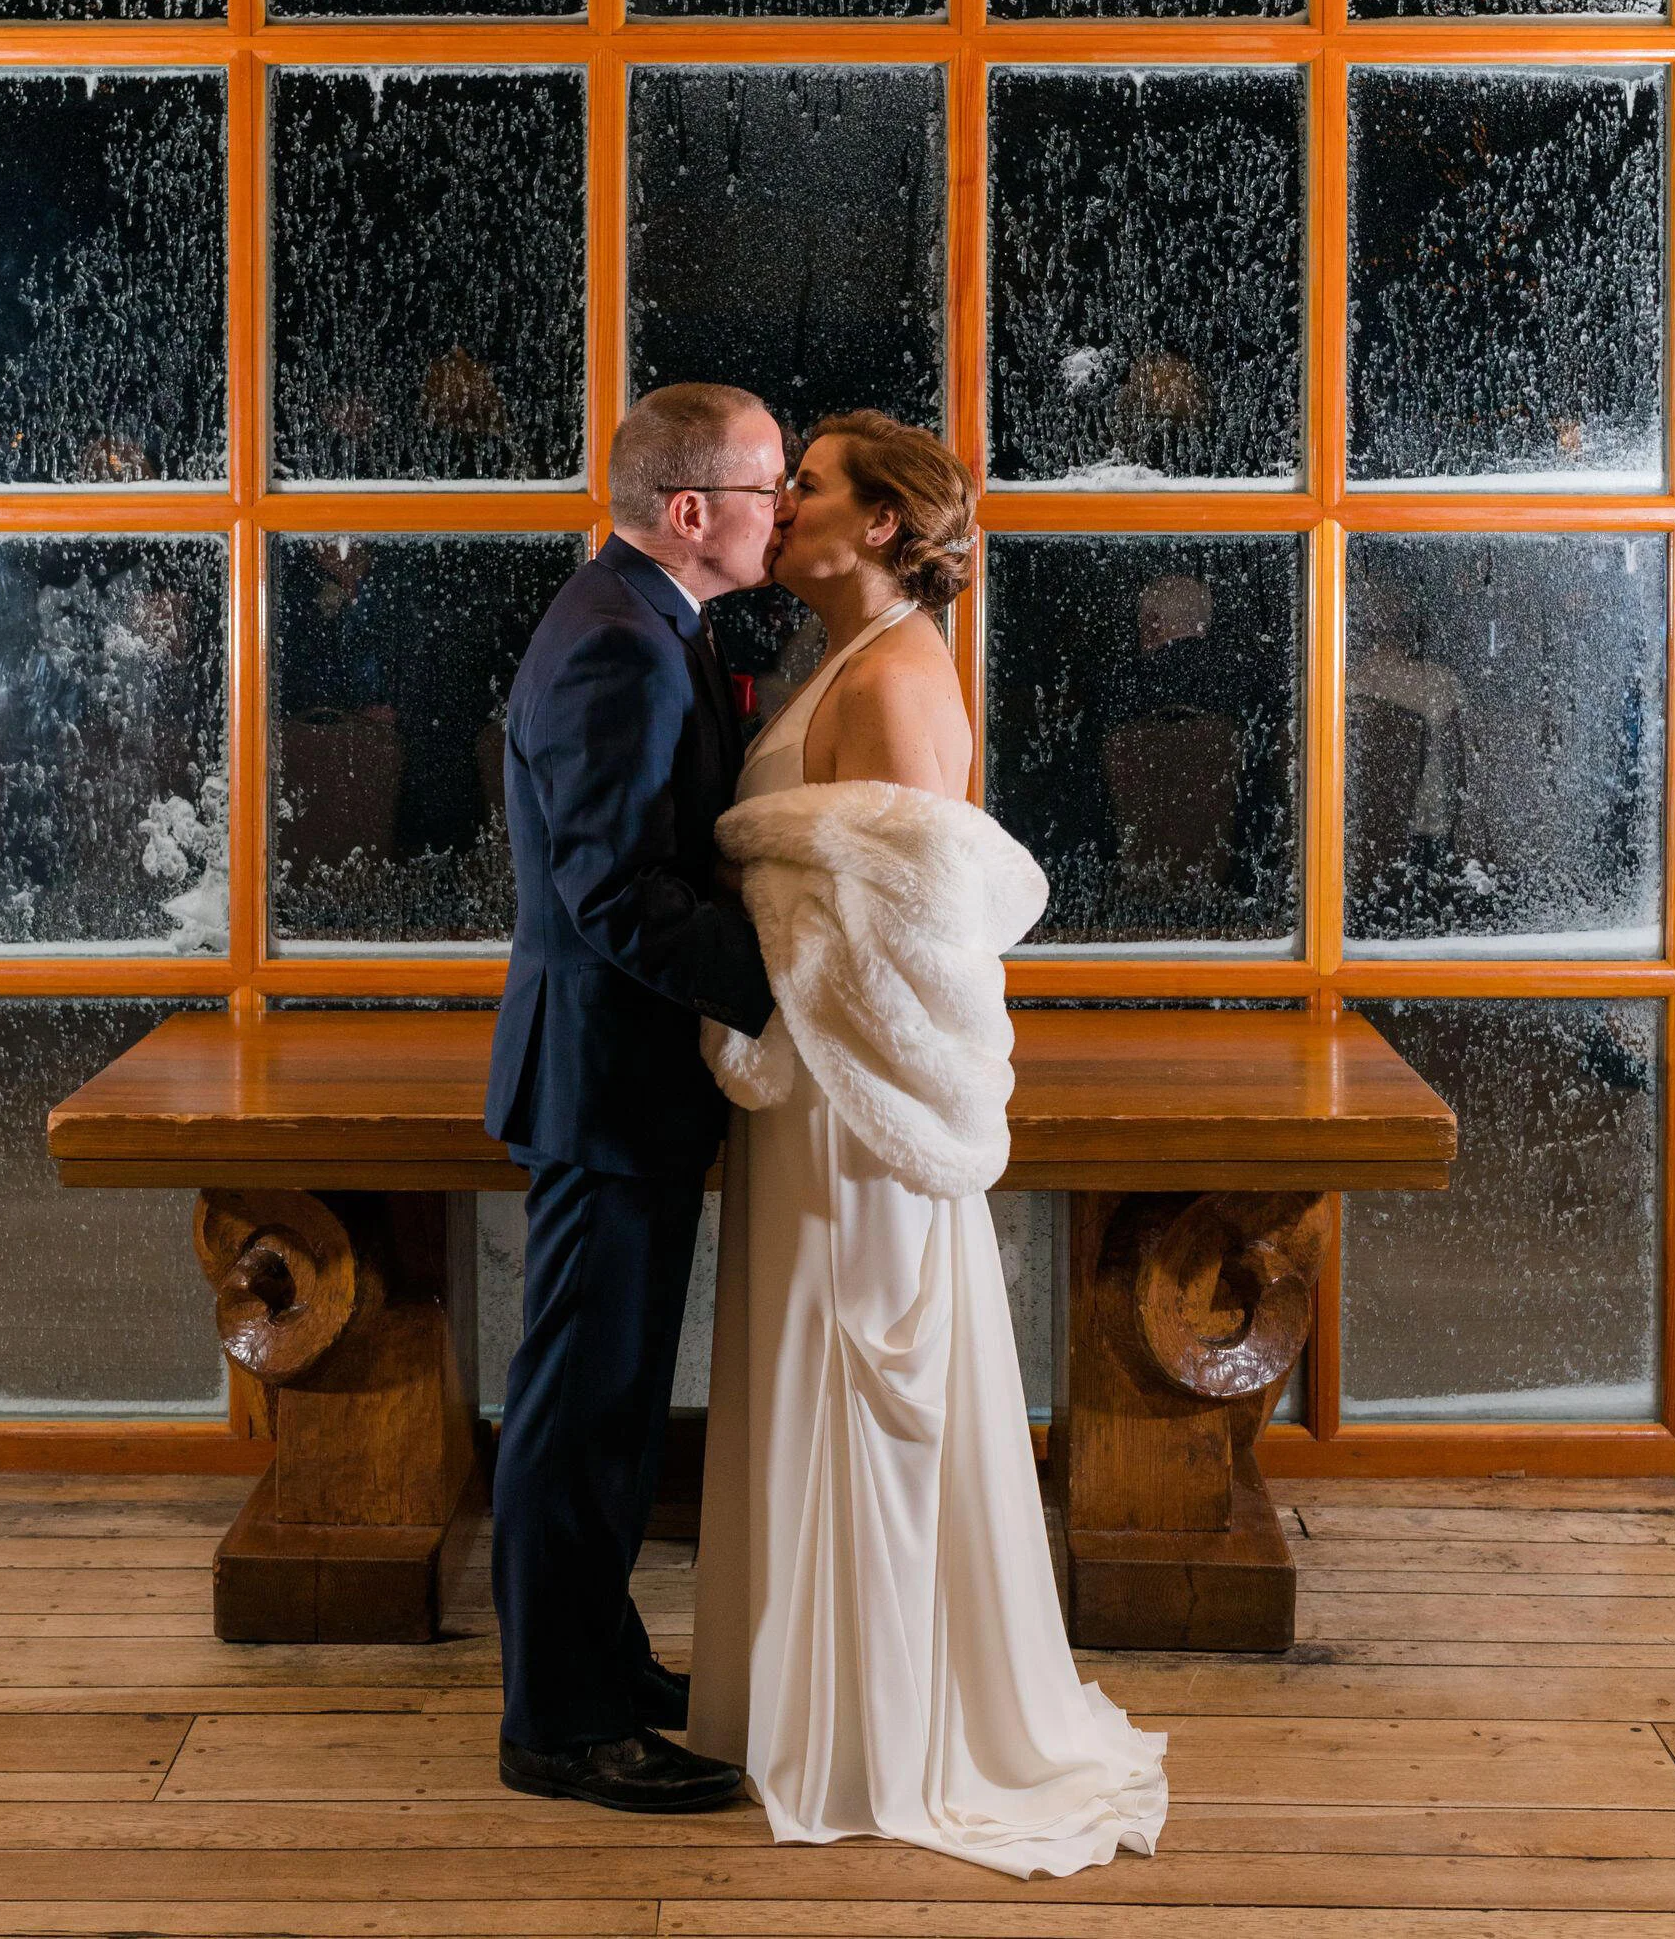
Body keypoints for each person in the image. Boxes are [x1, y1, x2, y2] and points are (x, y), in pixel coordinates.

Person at [689, 410, 1169, 1878]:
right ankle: (801, 1696)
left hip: (858, 1106)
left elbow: (913, 948)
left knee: (861, 1383)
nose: (783, 507)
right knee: (801, 1368)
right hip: (814, 1090)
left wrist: (760, 981)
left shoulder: (897, 676)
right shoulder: (844, 656)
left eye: (812, 487)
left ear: (883, 525)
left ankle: (880, 1725)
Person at [487, 381, 785, 1816]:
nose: (779, 515)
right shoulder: (621, 645)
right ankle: (557, 1721)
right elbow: (617, 894)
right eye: (767, 491)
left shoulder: (646, 619)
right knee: (581, 1407)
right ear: (692, 510)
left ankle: (601, 1657)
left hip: (618, 1074)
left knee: (604, 1399)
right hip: (607, 1076)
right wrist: (791, 977)